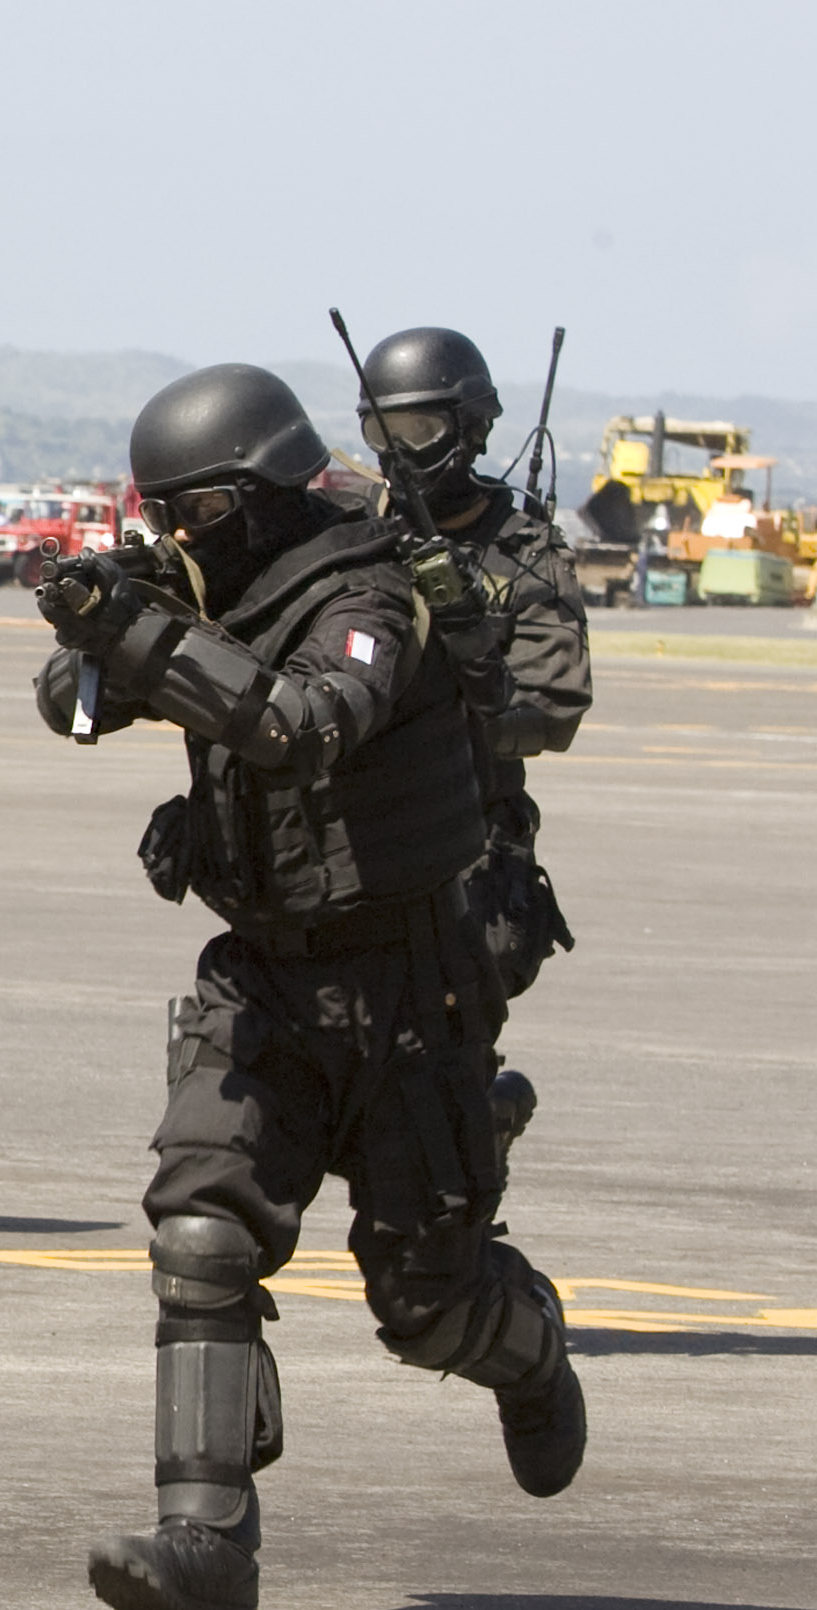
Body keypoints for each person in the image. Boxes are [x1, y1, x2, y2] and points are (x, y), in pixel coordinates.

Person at [33, 363, 584, 1610]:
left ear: (268, 493)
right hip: (268, 973)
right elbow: (72, 704)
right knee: (201, 1236)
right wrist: (106, 621)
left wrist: (148, 633)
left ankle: (531, 1345)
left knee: (426, 1300)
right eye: (165, 515)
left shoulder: (370, 590)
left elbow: (302, 721)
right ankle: (207, 1547)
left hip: (407, 984)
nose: (181, 538)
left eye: (200, 513)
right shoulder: (215, 585)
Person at [356, 327, 591, 1153]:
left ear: (470, 429)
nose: (397, 457)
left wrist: (470, 651)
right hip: (352, 836)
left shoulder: (522, 552)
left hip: (463, 846)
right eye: (379, 435)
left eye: (414, 434)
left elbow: (551, 711)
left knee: (438, 1100)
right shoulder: (347, 531)